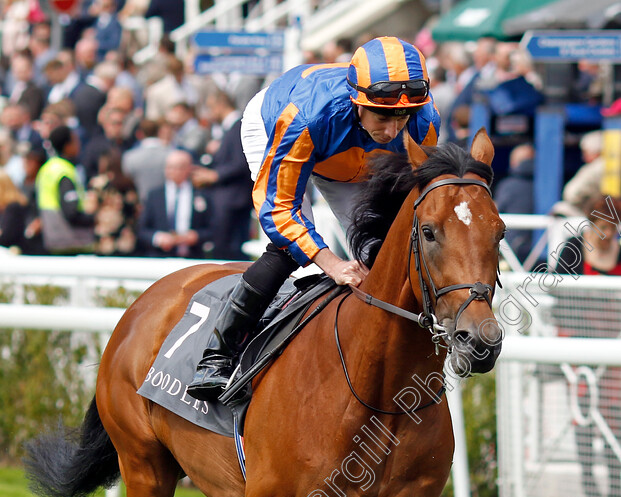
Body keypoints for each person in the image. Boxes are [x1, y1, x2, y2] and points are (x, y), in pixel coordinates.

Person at [188, 36, 440, 400]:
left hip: (347, 152)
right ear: (358, 101)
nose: (393, 131)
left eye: (404, 116)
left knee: (382, 244)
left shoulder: (424, 120)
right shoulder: (306, 115)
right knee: (290, 248)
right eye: (384, 115)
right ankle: (216, 356)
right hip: (280, 125)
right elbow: (279, 211)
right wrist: (332, 264)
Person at [552, 196, 621, 497]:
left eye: (613, 230)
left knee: (616, 413)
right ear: (591, 225)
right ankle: (589, 484)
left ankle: (616, 482)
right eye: (602, 228)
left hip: (614, 344)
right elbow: (558, 294)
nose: (607, 236)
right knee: (584, 411)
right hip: (578, 342)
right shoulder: (572, 249)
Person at [190, 88, 253, 260]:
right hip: (230, 201)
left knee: (228, 253)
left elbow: (241, 162)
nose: (209, 114)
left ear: (219, 105)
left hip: (232, 202)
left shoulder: (237, 126)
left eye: (210, 108)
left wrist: (213, 175)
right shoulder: (229, 128)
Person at [137, 149, 212, 258]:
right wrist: (159, 238)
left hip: (192, 258)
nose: (173, 171)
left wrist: (196, 236)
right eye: (169, 167)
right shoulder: (155, 195)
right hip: (161, 257)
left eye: (179, 167)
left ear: (188, 168)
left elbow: (213, 228)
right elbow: (142, 229)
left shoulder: (201, 194)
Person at [35, 125, 95, 254]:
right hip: (71, 241)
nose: (79, 144)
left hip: (52, 239)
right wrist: (94, 219)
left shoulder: (47, 168)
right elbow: (71, 213)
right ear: (68, 145)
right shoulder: (64, 172)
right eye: (75, 140)